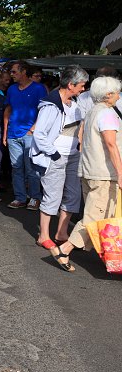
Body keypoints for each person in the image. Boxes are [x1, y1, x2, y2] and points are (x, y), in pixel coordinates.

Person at [51, 76, 122, 272]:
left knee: (98, 216)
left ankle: (103, 253)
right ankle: (65, 249)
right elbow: (111, 144)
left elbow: (83, 137)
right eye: (117, 92)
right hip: (104, 173)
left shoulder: (93, 111)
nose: (118, 96)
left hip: (90, 169)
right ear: (108, 94)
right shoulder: (107, 114)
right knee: (94, 218)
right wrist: (121, 172)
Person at [30, 66, 88, 250]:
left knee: (73, 195)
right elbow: (38, 134)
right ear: (71, 85)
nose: (83, 89)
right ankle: (43, 235)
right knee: (52, 195)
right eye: (81, 85)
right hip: (55, 156)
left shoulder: (75, 104)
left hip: (73, 156)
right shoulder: (51, 105)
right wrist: (53, 153)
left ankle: (61, 232)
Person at [3, 60, 48, 210]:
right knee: (16, 168)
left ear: (23, 72)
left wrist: (33, 129)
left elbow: (44, 111)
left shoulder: (39, 89)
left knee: (31, 168)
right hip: (13, 134)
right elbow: (8, 110)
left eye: (14, 72)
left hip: (30, 134)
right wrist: (5, 133)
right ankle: (20, 198)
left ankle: (35, 197)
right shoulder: (12, 90)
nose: (11, 74)